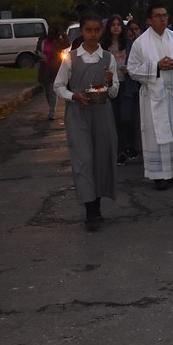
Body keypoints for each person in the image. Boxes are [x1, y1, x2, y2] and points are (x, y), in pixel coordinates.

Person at [54, 13, 119, 231]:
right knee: (84, 159)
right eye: (88, 30)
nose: (92, 34)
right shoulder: (70, 58)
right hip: (78, 114)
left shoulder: (108, 58)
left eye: (96, 30)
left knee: (100, 158)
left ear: (101, 32)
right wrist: (73, 96)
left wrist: (110, 83)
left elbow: (115, 92)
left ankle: (98, 206)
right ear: (81, 32)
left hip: (102, 113)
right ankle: (90, 210)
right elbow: (58, 86)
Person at [127, 5, 173, 190]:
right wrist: (156, 66)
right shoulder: (140, 43)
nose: (163, 19)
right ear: (149, 20)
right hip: (154, 97)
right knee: (157, 134)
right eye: (158, 16)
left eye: (165, 15)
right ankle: (159, 175)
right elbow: (132, 69)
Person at [100, 15, 138, 164]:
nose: (116, 27)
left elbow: (136, 61)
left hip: (126, 84)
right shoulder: (104, 46)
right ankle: (119, 151)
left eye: (118, 25)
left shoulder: (128, 44)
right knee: (115, 119)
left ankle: (130, 145)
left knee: (126, 117)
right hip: (111, 86)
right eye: (113, 24)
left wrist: (130, 69)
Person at [37, 25, 68, 120]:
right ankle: (50, 106)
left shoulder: (58, 42)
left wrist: (62, 33)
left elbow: (67, 44)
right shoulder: (42, 41)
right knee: (46, 92)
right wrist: (41, 57)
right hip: (44, 70)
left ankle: (52, 111)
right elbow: (37, 51)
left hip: (54, 70)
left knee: (52, 91)